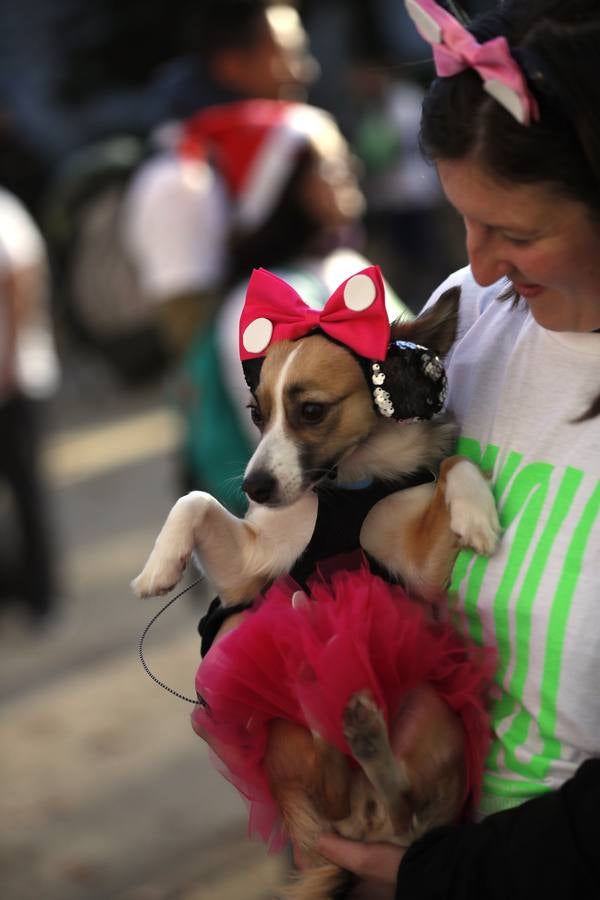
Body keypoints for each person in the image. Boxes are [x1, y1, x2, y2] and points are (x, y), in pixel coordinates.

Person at [312, 0, 600, 896]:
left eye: (516, 233)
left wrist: (442, 875)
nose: (475, 268)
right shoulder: (459, 324)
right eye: (462, 221)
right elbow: (333, 517)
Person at [172, 98, 410, 510]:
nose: (350, 168)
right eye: (330, 163)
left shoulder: (345, 264)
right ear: (285, 188)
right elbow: (282, 445)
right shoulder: (259, 305)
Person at [0, 185, 61, 629]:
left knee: (26, 489)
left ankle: (42, 593)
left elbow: (23, 275)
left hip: (15, 380)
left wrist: (11, 356)